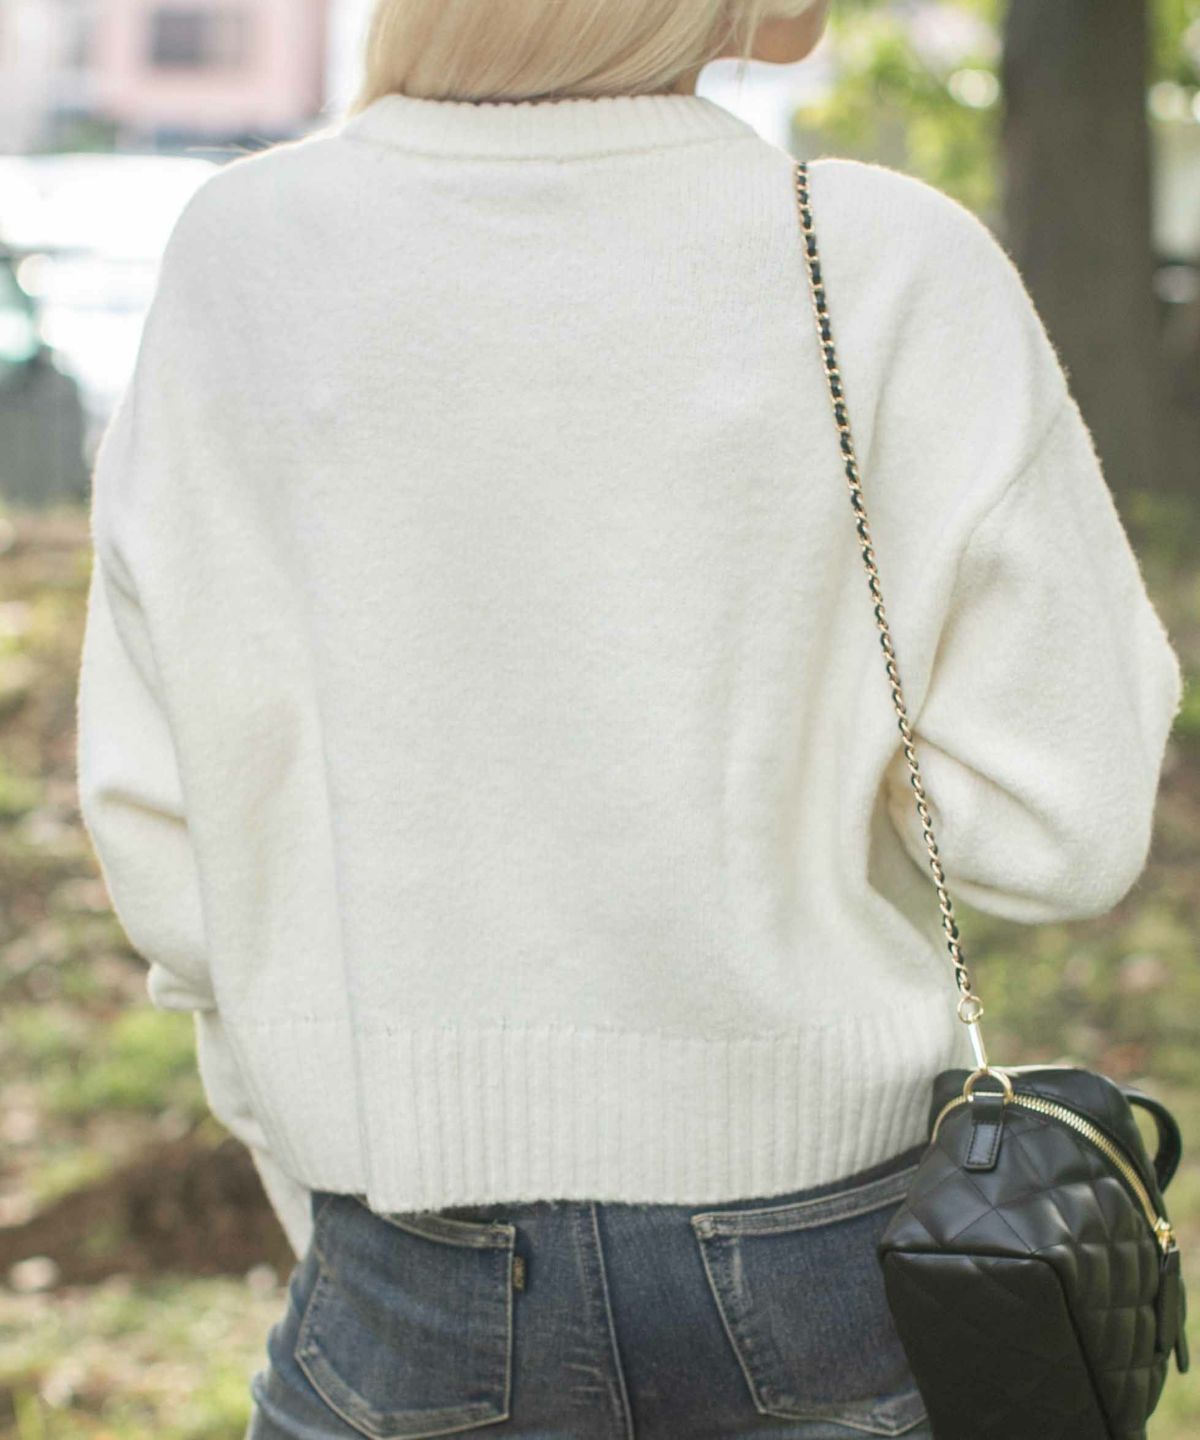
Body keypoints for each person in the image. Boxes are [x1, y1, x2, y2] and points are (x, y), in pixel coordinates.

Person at [74, 1, 1183, 1436]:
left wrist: (330, 1145)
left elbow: (164, 827)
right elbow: (1063, 828)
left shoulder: (248, 248)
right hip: (828, 1256)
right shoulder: (876, 255)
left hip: (398, 1249)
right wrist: (805, 747)